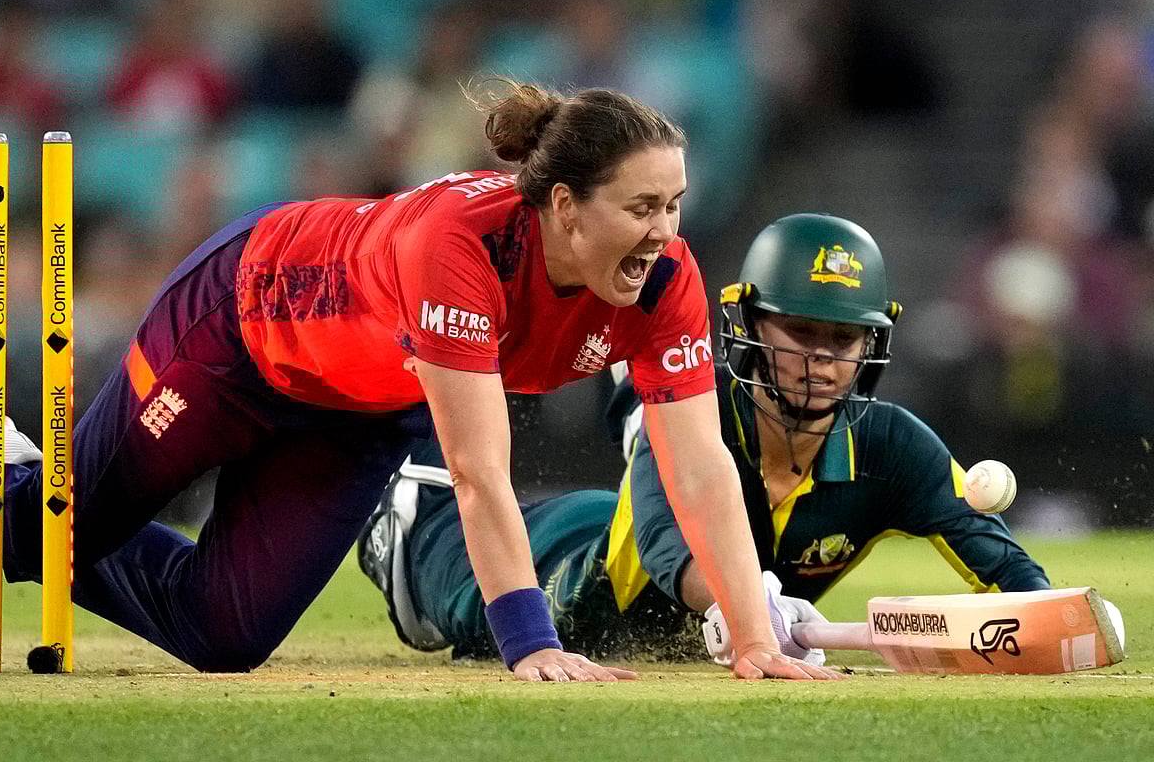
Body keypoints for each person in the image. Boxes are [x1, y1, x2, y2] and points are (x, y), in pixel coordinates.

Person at [0, 80, 831, 682]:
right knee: (52, 528)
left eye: (673, 205)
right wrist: (528, 642)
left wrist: (754, 637)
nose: (663, 233)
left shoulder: (665, 278)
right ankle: (3, 494)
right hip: (235, 332)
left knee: (224, 637)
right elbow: (480, 474)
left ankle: (11, 480)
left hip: (358, 414)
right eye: (641, 209)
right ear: (564, 205)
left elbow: (701, 464)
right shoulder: (459, 245)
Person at [356, 213, 1050, 665]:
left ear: (875, 342)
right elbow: (666, 541)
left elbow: (1004, 568)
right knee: (439, 617)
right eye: (801, 331)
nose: (823, 359)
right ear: (750, 324)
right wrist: (741, 604)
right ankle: (408, 515)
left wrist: (1054, 615)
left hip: (623, 538)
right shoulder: (693, 407)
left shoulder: (895, 447)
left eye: (844, 338)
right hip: (581, 578)